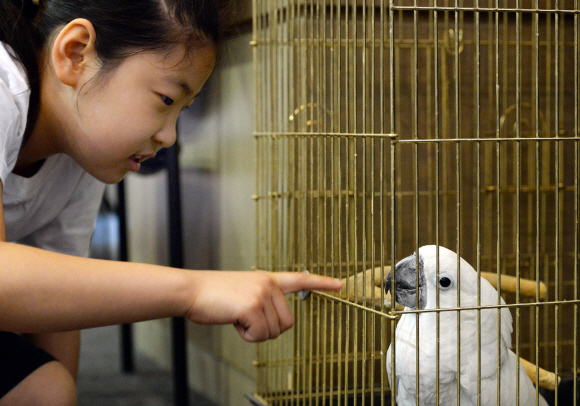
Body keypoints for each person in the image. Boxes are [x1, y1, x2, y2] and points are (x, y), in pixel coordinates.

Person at [0, 0, 343, 404]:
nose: (170, 137)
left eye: (183, 110)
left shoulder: (83, 153)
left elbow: (57, 304)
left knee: (46, 391)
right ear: (76, 53)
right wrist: (193, 290)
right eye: (166, 99)